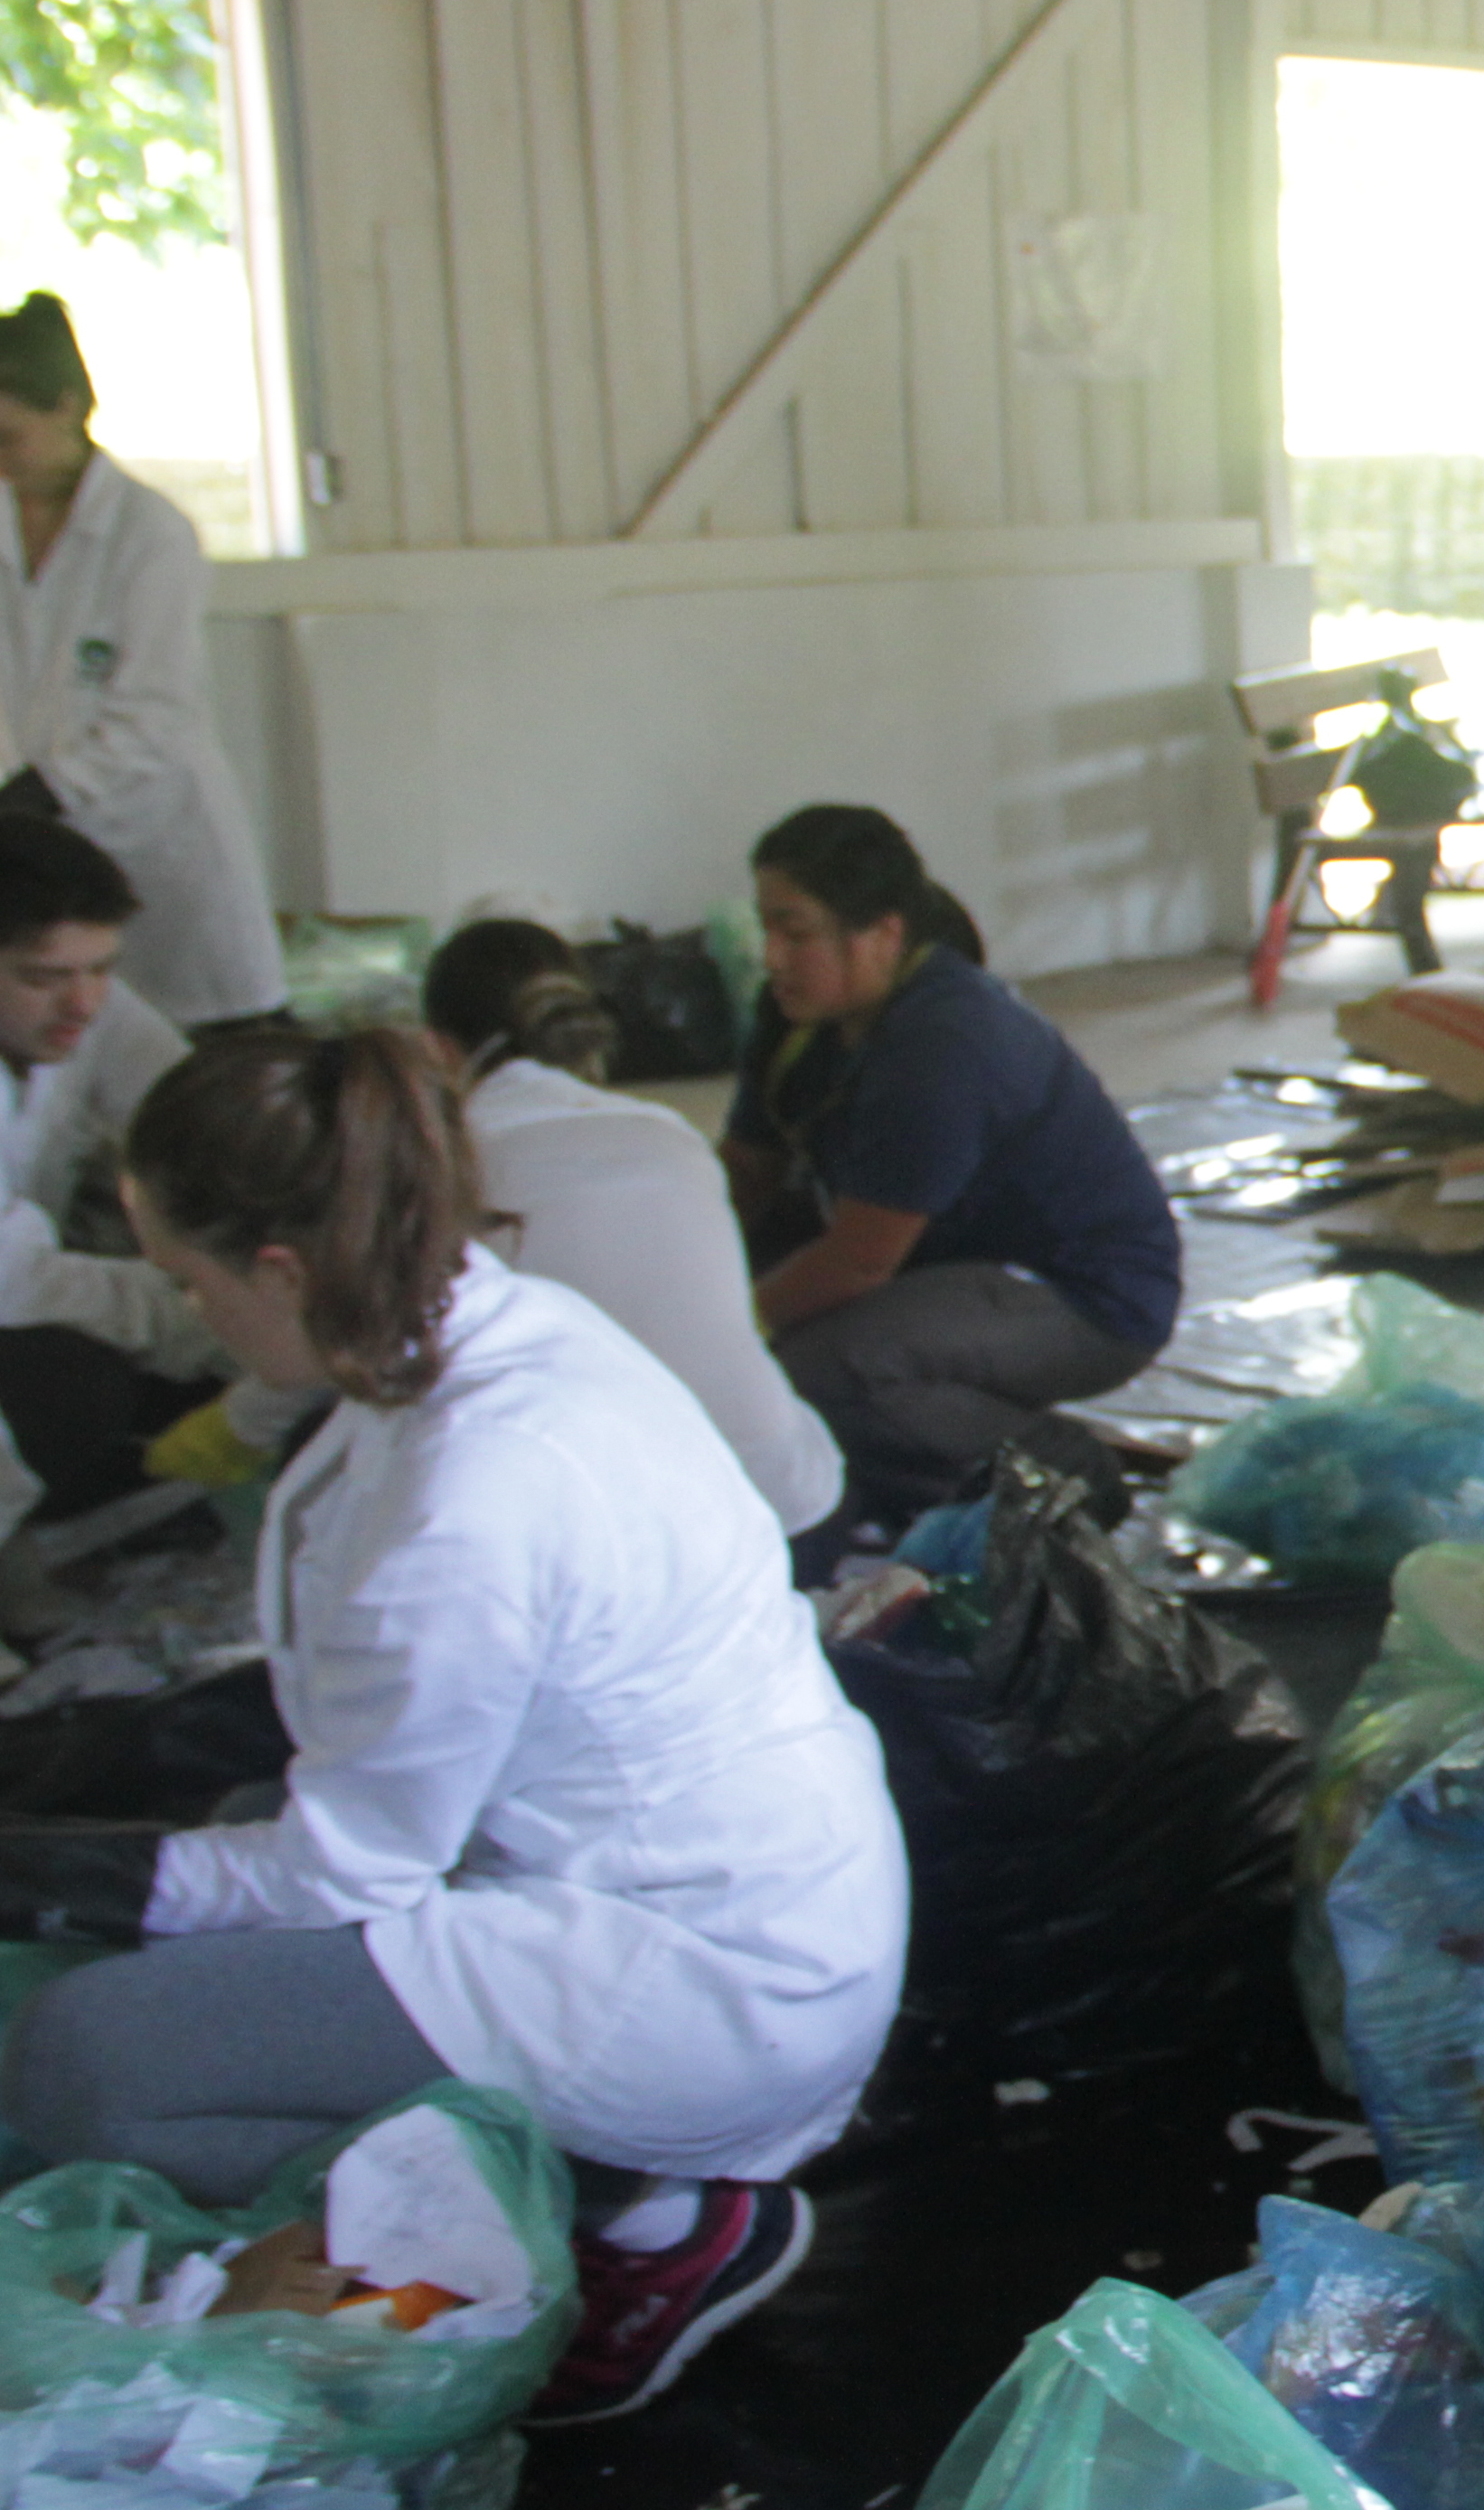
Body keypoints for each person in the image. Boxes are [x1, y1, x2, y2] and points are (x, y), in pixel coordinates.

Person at [0, 1028, 908, 2424]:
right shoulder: (491, 1328)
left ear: (281, 1271)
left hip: (699, 1972)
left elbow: (342, 1875)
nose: (192, 1320)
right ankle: (588, 2181)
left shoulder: (471, 1491)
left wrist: (50, 1866)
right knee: (205, 1867)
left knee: (83, 2064)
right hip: (729, 1878)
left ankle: (634, 2218)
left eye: (190, 1284)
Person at [725, 807, 1179, 1521]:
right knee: (750, 1321)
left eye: (796, 932)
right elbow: (746, 1172)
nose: (772, 955)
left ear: (883, 934)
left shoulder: (943, 1046)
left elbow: (859, 1263)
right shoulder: (796, 1015)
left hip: (1083, 1296)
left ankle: (1059, 1471)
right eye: (767, 927)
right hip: (944, 1260)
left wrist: (727, 1327)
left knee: (818, 1373)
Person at [424, 920, 845, 1538]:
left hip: (624, 1535)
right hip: (786, 1505)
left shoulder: (446, 1169)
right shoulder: (670, 1133)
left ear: (439, 1050)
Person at [0, 296, 283, 1027]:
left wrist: (42, 792)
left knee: (210, 1031)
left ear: (67, 406)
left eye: (8, 436)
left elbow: (154, 712)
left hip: (157, 828)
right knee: (72, 1027)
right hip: (48, 839)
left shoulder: (149, 534)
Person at [0, 813, 217, 1555]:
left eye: (101, 969)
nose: (83, 1004)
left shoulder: (84, 1006)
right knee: (72, 1387)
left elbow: (193, 1115)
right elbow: (11, 1280)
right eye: (44, 977)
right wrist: (197, 1314)